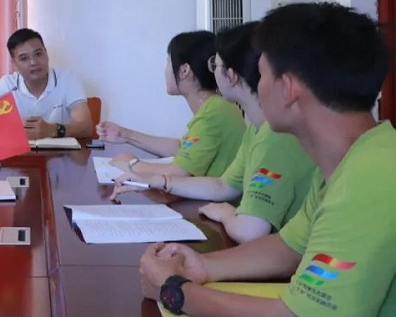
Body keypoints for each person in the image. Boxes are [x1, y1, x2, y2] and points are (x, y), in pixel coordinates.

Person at [139, 2, 396, 316]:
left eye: (260, 74)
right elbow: (290, 247)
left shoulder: (370, 178)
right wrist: (203, 264)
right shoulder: (357, 157)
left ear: (288, 88)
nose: (256, 86)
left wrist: (175, 292)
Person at [111, 23, 316, 243]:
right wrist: (156, 180)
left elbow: (249, 231)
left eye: (215, 64)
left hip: (288, 257)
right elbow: (223, 185)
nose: (212, 72)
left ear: (231, 75)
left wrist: (226, 213)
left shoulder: (273, 136)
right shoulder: (257, 128)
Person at [97, 31, 245, 177]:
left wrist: (131, 164)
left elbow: (180, 172)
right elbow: (182, 148)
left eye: (168, 61)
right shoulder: (216, 106)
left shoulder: (213, 114)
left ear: (184, 70)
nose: (165, 69)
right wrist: (125, 135)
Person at [0, 28, 93, 139]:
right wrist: (15, 129)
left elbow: (86, 127)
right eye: (24, 58)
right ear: (14, 63)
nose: (33, 62)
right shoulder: (6, 85)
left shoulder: (67, 80)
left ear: (46, 53)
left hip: (61, 150)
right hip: (20, 150)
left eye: (38, 54)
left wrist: (53, 130)